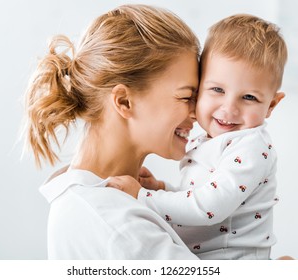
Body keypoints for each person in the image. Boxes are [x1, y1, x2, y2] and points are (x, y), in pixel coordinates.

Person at [22, 4, 202, 259]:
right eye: (186, 97)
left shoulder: (92, 201)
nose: (197, 112)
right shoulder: (116, 223)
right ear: (124, 102)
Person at [107, 14, 288, 260]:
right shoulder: (208, 140)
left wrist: (143, 196)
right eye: (217, 90)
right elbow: (198, 195)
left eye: (249, 97)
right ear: (199, 87)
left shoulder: (252, 148)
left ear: (271, 105)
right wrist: (161, 188)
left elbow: (207, 208)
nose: (229, 109)